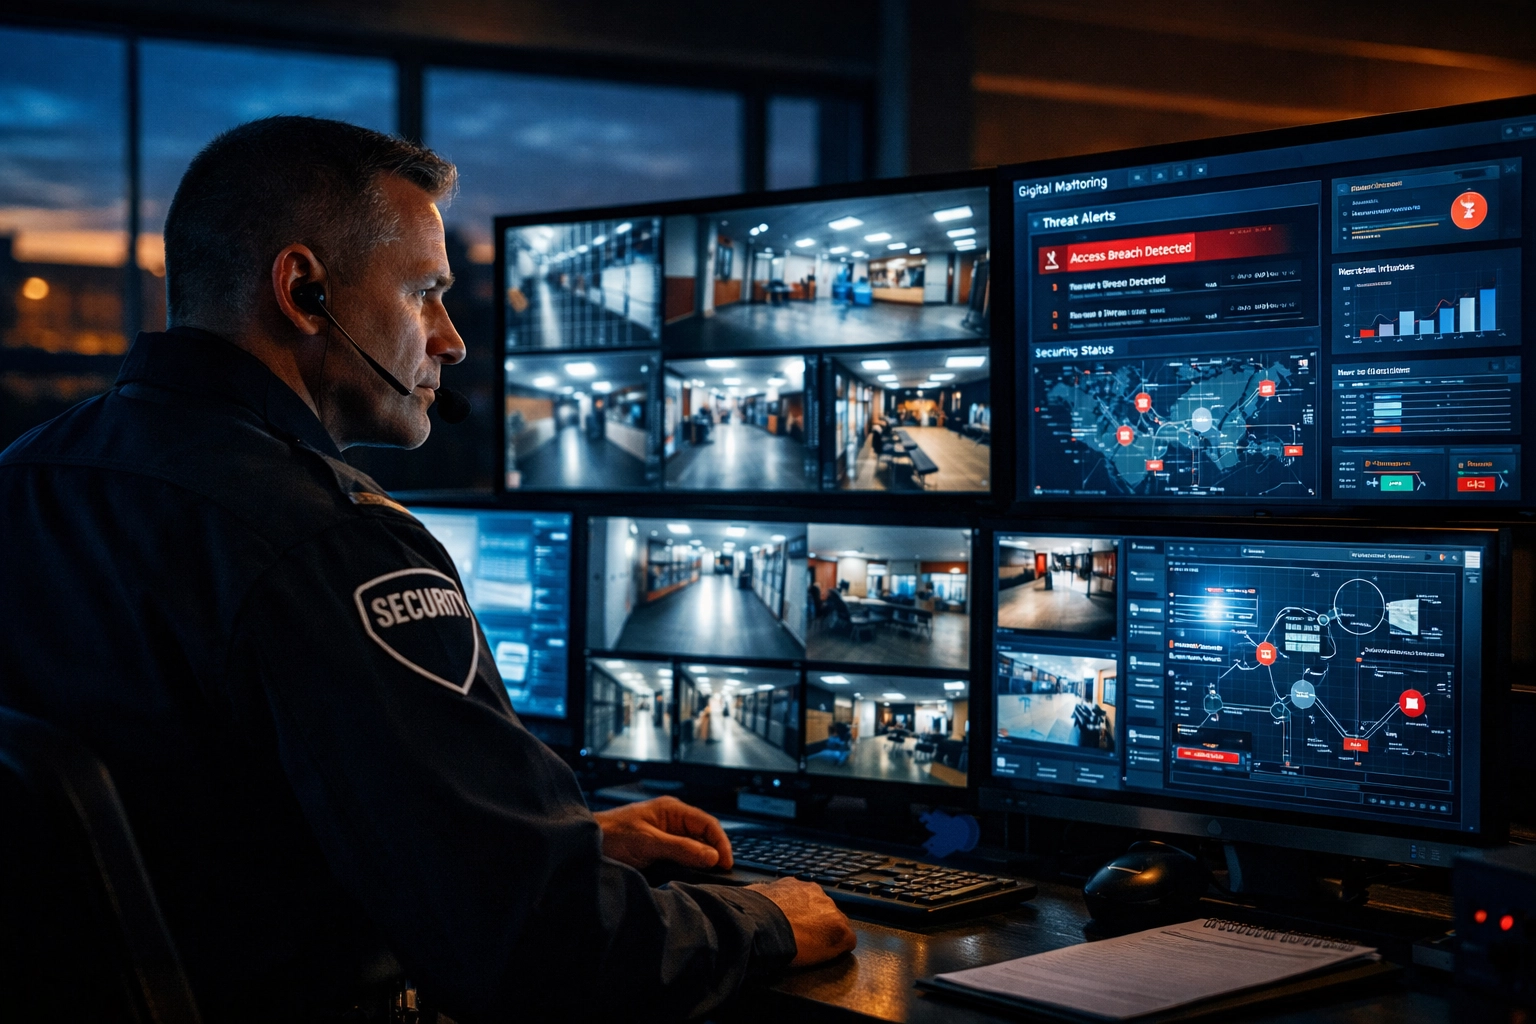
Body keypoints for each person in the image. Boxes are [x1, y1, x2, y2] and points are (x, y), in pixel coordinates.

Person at [0, 116, 854, 1023]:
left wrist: (521, 839)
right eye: (424, 294)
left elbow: (196, 833)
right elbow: (547, 952)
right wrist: (759, 919)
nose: (449, 339)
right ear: (305, 290)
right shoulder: (332, 546)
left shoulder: (25, 478)